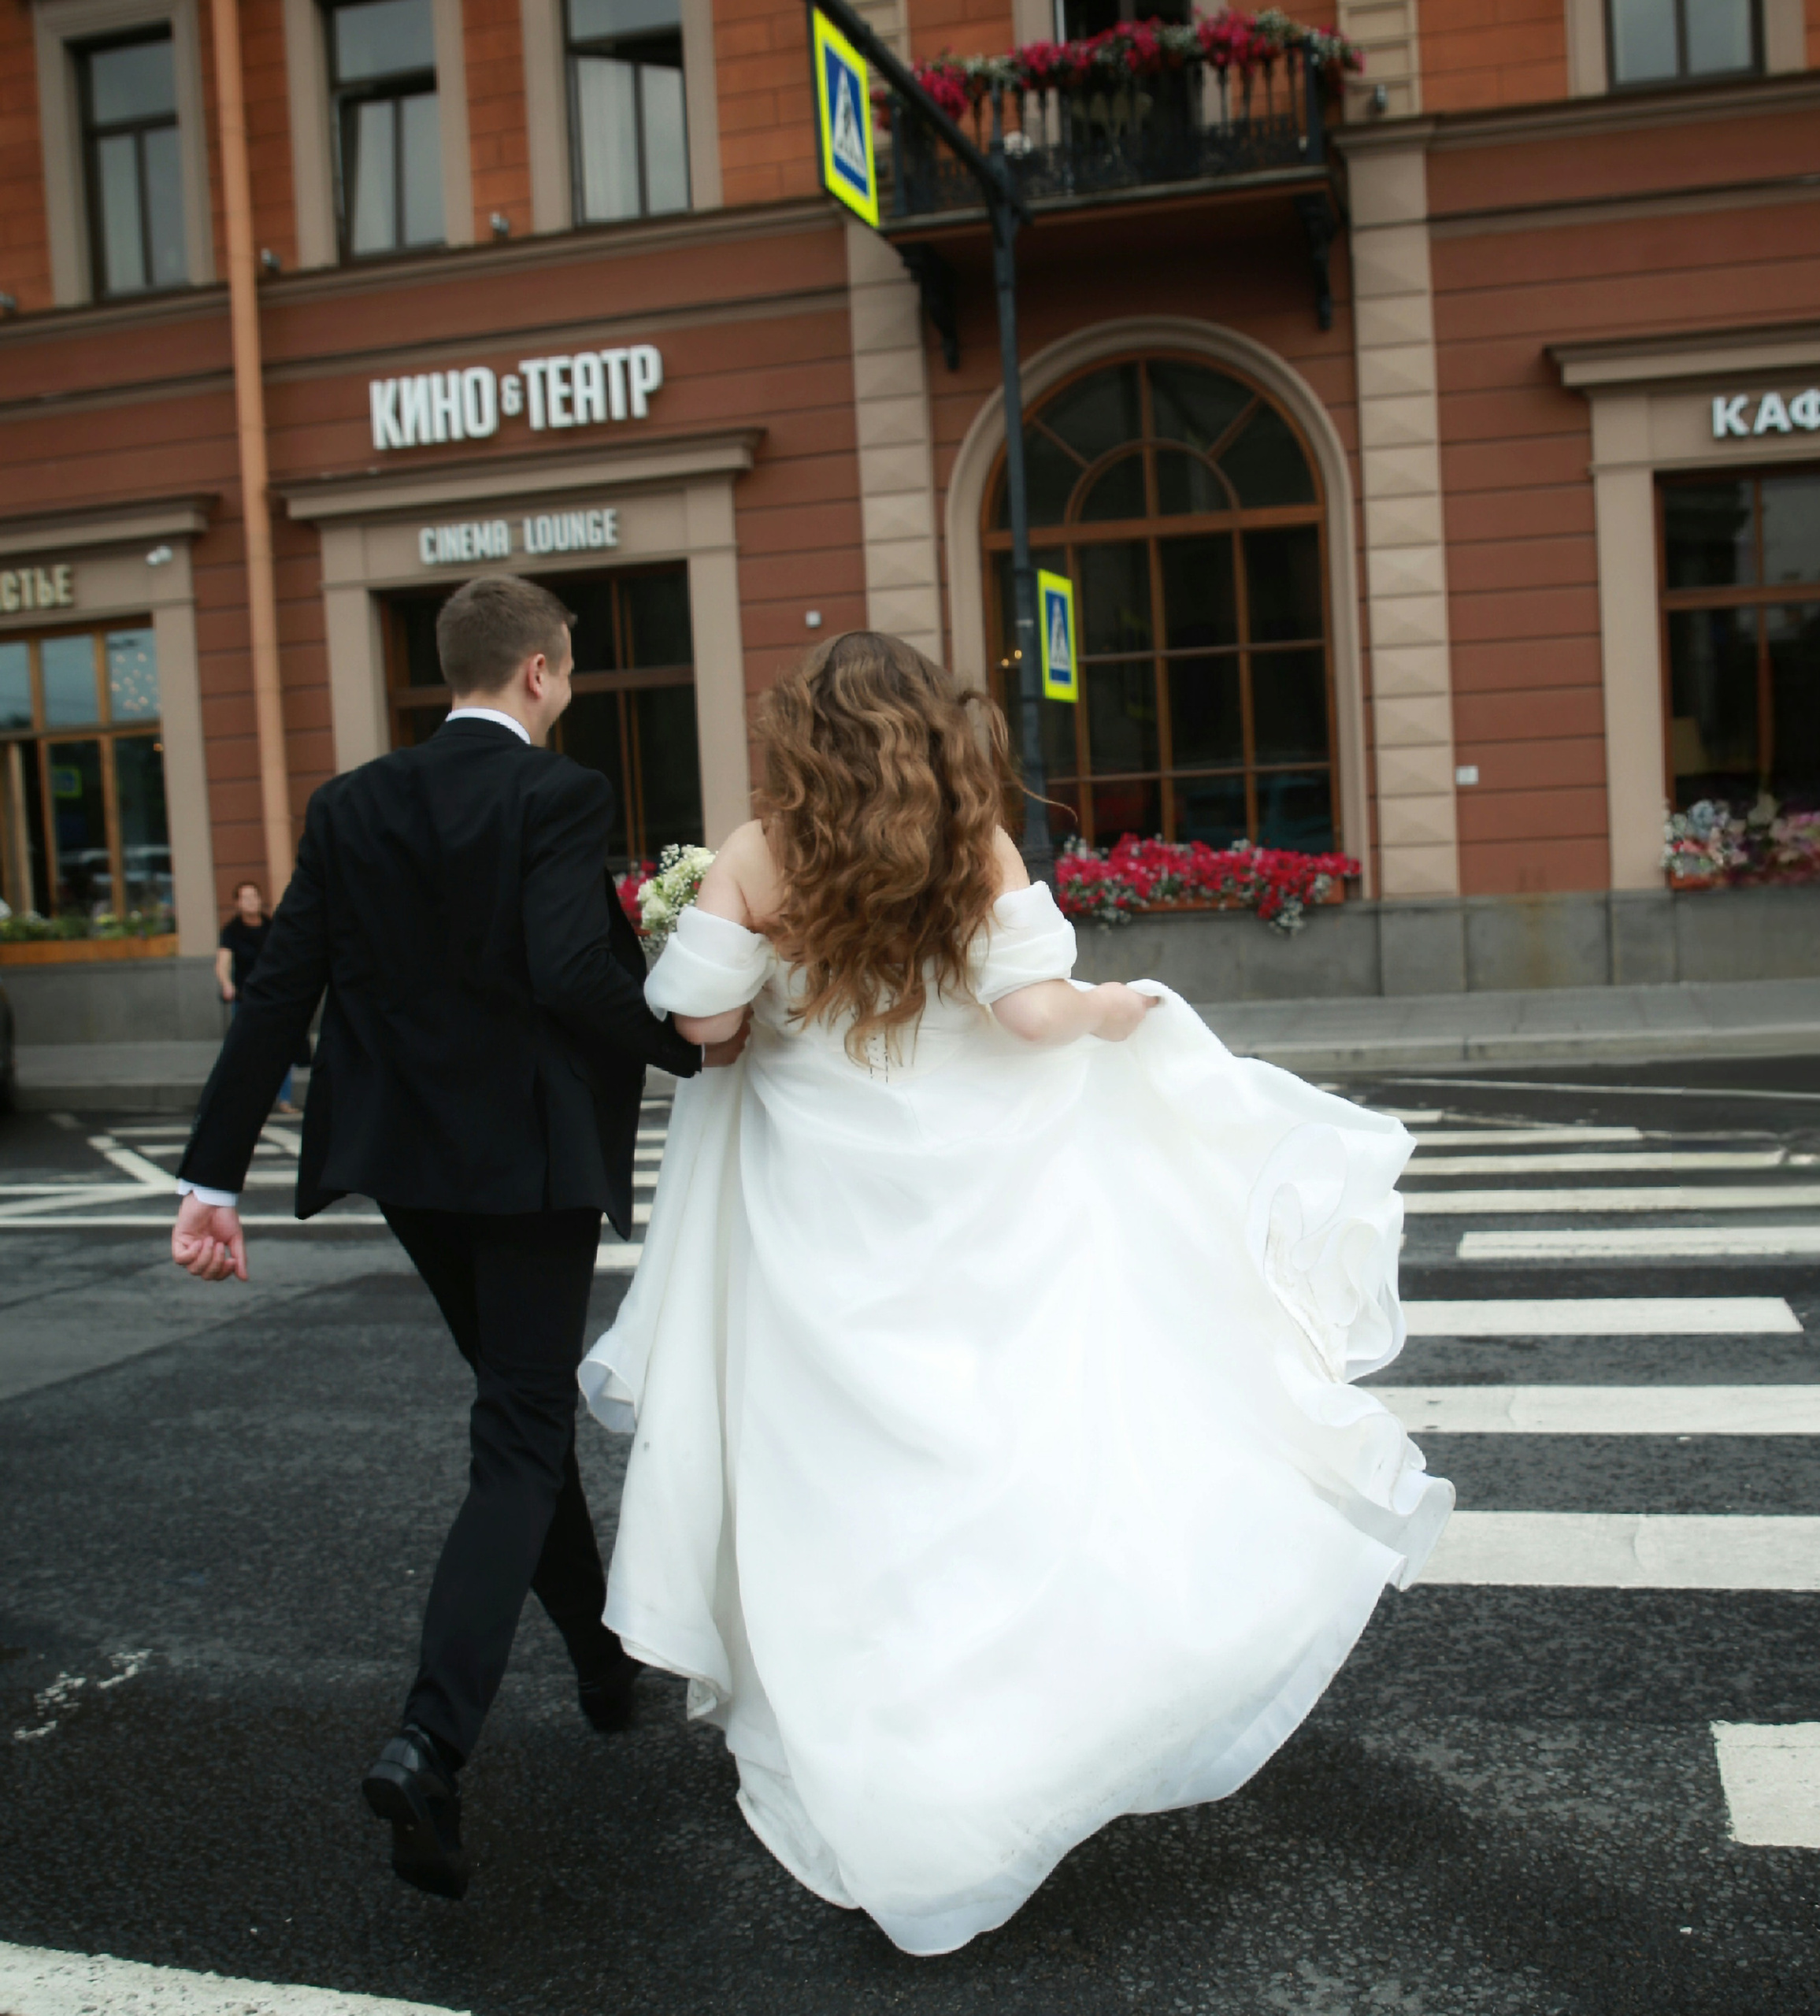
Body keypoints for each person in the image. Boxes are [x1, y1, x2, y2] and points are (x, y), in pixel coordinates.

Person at [581, 631, 1453, 1956]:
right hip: (973, 1207)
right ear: (930, 731)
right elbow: (1032, 1017)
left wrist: (739, 972)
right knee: (997, 1444)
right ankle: (1023, 1718)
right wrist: (1121, 1012)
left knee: (845, 1481)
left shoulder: (757, 857)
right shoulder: (972, 843)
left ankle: (881, 1731)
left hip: (821, 1214)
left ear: (801, 738)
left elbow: (699, 1034)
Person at [168, 573, 743, 1902]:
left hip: (410, 1169)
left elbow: (278, 993)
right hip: (528, 1167)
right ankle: (432, 1737)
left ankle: (603, 1672)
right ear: (539, 673)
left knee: (517, 1412)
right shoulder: (560, 795)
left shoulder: (350, 804)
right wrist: (696, 1050)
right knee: (519, 1433)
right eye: (574, 669)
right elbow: (567, 970)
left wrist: (212, 1180)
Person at [216, 880, 298, 1114]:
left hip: (274, 997)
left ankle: (284, 1099)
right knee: (247, 1051)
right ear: (237, 903)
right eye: (245, 897)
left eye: (254, 896)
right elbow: (222, 963)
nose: (251, 901)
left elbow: (287, 957)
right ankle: (248, 1101)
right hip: (246, 999)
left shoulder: (273, 926)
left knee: (280, 1048)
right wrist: (227, 984)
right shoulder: (232, 931)